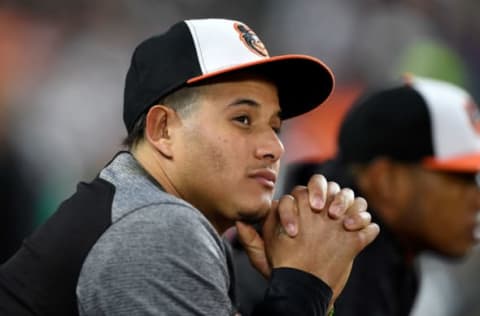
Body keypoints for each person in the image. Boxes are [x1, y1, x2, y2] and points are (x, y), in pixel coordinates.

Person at [0, 18, 379, 316]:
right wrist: (306, 283)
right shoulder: (156, 228)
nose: (274, 148)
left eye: (276, 126)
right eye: (243, 119)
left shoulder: (138, 209)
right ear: (163, 130)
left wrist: (311, 291)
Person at [277, 74, 480, 316]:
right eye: (462, 179)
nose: (477, 197)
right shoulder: (341, 261)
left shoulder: (388, 255)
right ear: (386, 181)